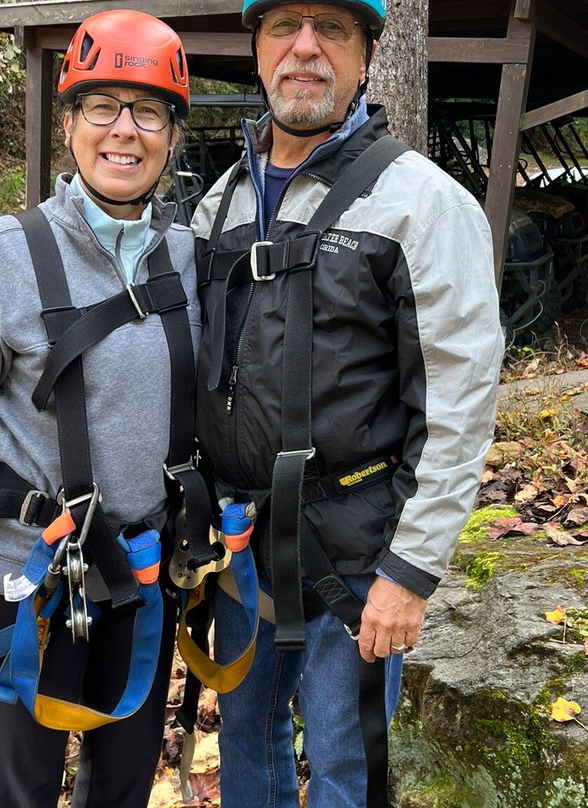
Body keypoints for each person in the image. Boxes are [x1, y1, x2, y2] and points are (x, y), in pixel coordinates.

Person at [191, 2, 504, 806]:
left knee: (344, 766)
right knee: (245, 747)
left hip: (358, 555)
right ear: (256, 52)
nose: (305, 49)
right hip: (242, 546)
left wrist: (412, 569)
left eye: (331, 29)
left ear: (366, 56)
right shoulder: (219, 202)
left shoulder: (422, 205)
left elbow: (459, 403)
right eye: (283, 28)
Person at [0, 10, 201, 808]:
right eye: (103, 107)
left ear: (171, 134)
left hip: (137, 574)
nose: (124, 132)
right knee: (18, 788)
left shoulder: (191, 263)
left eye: (148, 111)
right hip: (21, 576)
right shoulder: (1, 256)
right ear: (69, 125)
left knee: (123, 785)